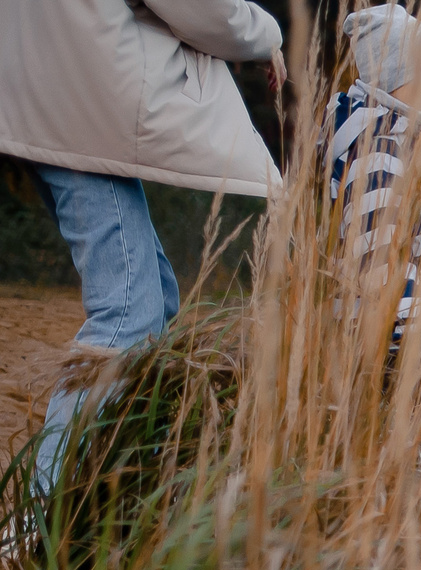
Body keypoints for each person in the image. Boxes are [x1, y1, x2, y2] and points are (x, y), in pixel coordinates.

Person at [1, 0, 283, 493]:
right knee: (129, 311)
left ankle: (124, 491)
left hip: (37, 96)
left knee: (156, 298)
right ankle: (36, 519)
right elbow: (206, 10)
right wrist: (266, 34)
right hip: (80, 105)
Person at [324, 4, 421, 353]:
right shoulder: (380, 151)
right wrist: (403, 323)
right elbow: (378, 247)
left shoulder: (394, 141)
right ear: (392, 77)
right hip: (389, 335)